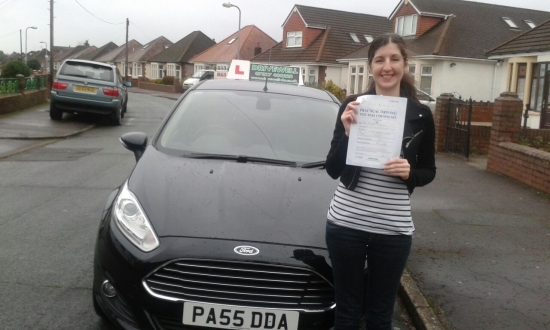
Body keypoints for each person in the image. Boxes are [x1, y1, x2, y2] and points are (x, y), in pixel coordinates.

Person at [325, 33, 436, 330]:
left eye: (394, 59)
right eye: (379, 60)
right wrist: (348, 135)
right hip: (346, 224)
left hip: (393, 230)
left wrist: (409, 172)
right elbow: (333, 169)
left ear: (405, 64)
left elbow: (428, 170)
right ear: (371, 66)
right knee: (346, 314)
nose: (387, 67)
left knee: (380, 315)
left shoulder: (421, 114)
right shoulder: (352, 106)